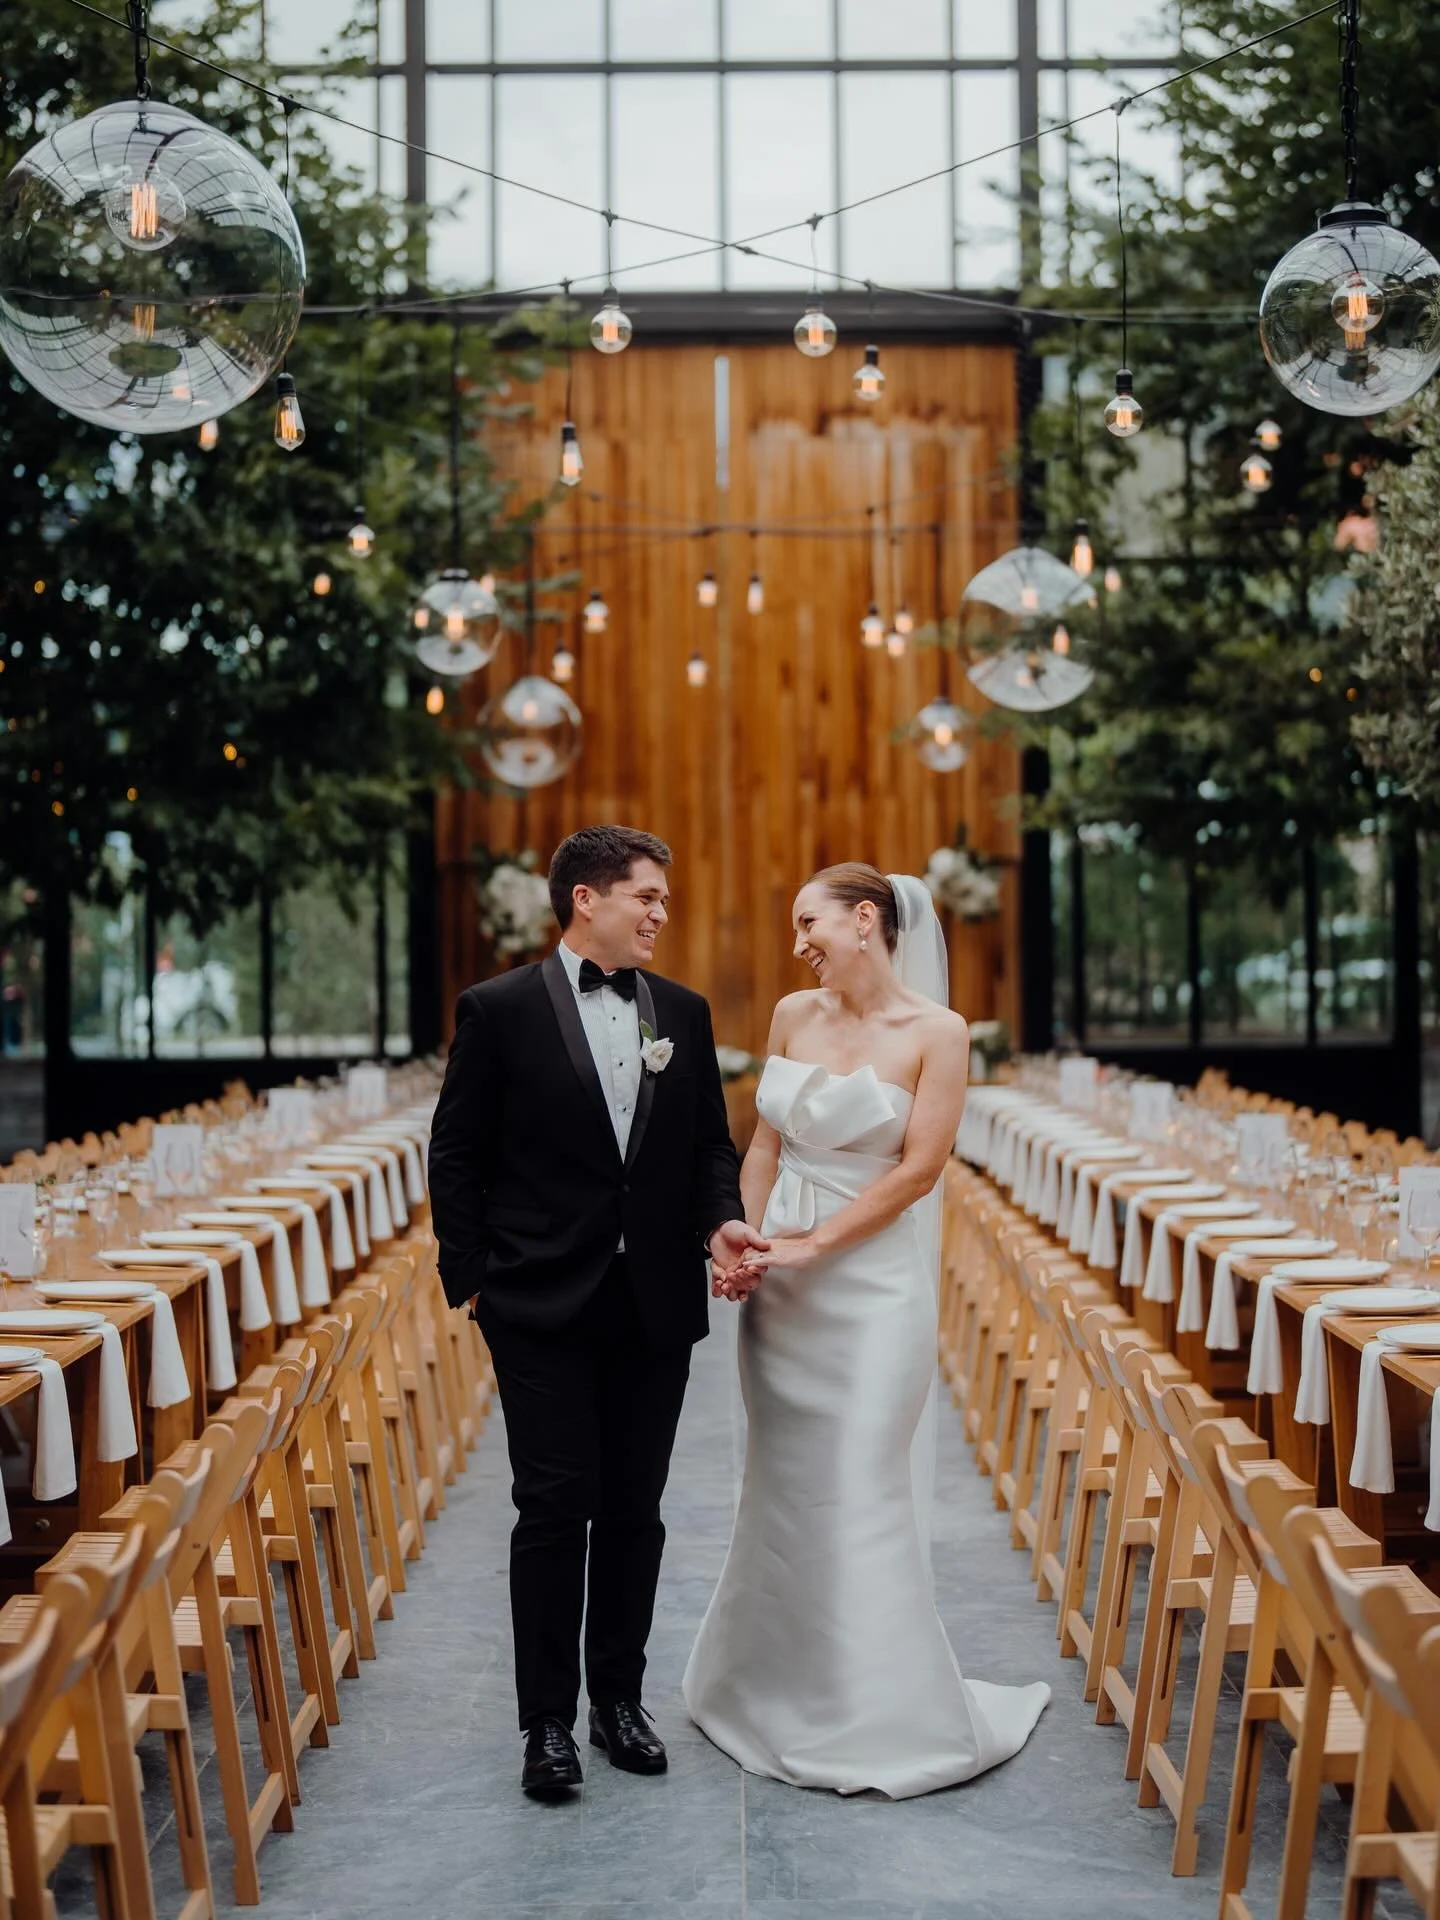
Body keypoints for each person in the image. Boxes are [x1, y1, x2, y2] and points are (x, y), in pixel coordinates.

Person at [684, 862, 1050, 1798]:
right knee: (786, 1482)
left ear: (864, 921)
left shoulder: (939, 1033)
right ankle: (766, 1689)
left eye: (809, 922)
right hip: (781, 1294)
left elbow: (918, 1172)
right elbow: (764, 1142)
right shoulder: (792, 1017)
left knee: (860, 1481)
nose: (797, 942)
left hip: (875, 1291)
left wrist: (811, 1249)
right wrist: (743, 1236)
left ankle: (879, 1711)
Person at [428, 825, 767, 1800]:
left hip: (654, 1299)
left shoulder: (685, 1015)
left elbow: (709, 1145)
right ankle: (546, 1726)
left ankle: (620, 1701)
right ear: (588, 899)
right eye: (647, 896)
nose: (662, 912)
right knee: (550, 1510)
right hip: (538, 1302)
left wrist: (722, 1228)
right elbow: (456, 1154)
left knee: (634, 1511)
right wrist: (476, 1280)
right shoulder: (497, 1011)